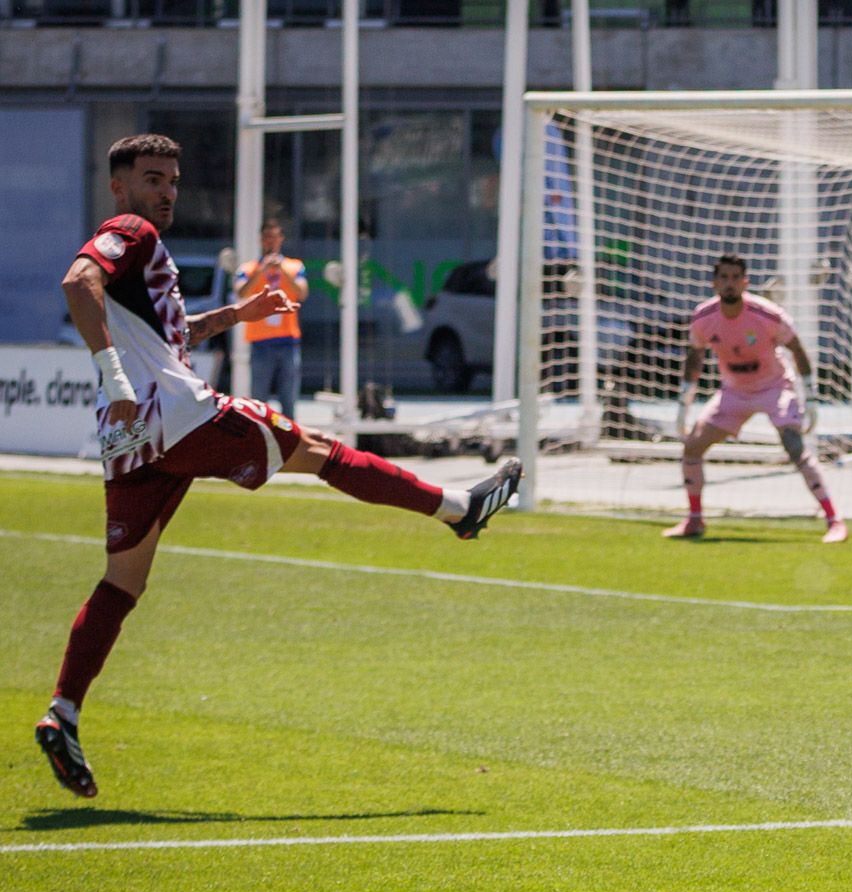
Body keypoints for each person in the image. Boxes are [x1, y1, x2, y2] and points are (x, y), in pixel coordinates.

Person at [33, 133, 523, 800]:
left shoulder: (143, 262)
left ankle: (63, 710)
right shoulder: (129, 229)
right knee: (320, 451)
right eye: (151, 179)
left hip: (131, 440)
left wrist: (241, 312)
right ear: (118, 187)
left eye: (172, 178)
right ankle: (460, 510)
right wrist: (115, 376)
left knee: (123, 581)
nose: (166, 191)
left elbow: (176, 335)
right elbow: (76, 280)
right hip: (175, 415)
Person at [662, 254, 846, 544]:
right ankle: (694, 519)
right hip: (734, 391)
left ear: (746, 282)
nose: (730, 284)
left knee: (794, 445)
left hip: (774, 388)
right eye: (724, 277)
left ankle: (834, 520)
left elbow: (797, 350)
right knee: (693, 447)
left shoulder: (768, 315)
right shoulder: (703, 318)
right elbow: (694, 357)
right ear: (714, 283)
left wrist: (810, 398)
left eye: (736, 278)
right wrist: (684, 403)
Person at [234, 216, 308, 419]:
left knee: (289, 401)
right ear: (260, 239)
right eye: (267, 237)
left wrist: (281, 269)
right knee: (258, 403)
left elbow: (301, 292)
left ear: (281, 239)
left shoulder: (294, 266)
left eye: (275, 237)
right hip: (260, 343)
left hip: (287, 342)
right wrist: (261, 271)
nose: (271, 242)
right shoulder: (249, 269)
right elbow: (241, 292)